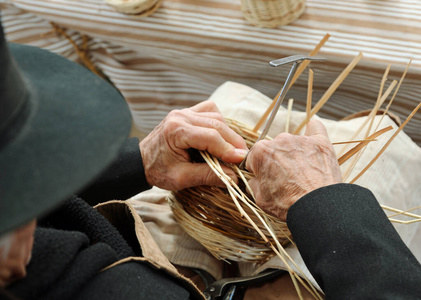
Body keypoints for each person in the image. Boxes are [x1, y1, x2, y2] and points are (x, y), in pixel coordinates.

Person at [1, 14, 421, 300]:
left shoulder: (19, 248)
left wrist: (143, 159)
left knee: (226, 111)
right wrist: (322, 203)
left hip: (122, 246)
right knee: (387, 147)